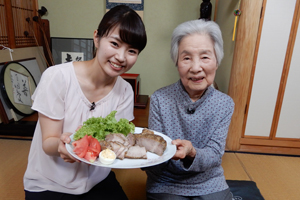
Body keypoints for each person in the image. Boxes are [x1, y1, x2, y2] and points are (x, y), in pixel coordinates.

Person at [23, 5, 147, 200]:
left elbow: (114, 141)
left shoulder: (125, 90)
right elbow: (48, 143)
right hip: (50, 183)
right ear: (97, 37)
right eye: (114, 44)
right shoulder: (57, 77)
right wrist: (65, 145)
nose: (121, 57)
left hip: (97, 180)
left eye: (131, 50)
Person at [144, 19, 234, 200]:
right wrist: (143, 156)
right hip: (166, 180)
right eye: (186, 58)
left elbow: (215, 155)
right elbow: (153, 152)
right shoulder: (160, 99)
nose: (195, 67)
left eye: (205, 57)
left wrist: (192, 152)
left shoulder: (225, 103)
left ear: (217, 61)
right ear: (177, 63)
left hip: (208, 179)